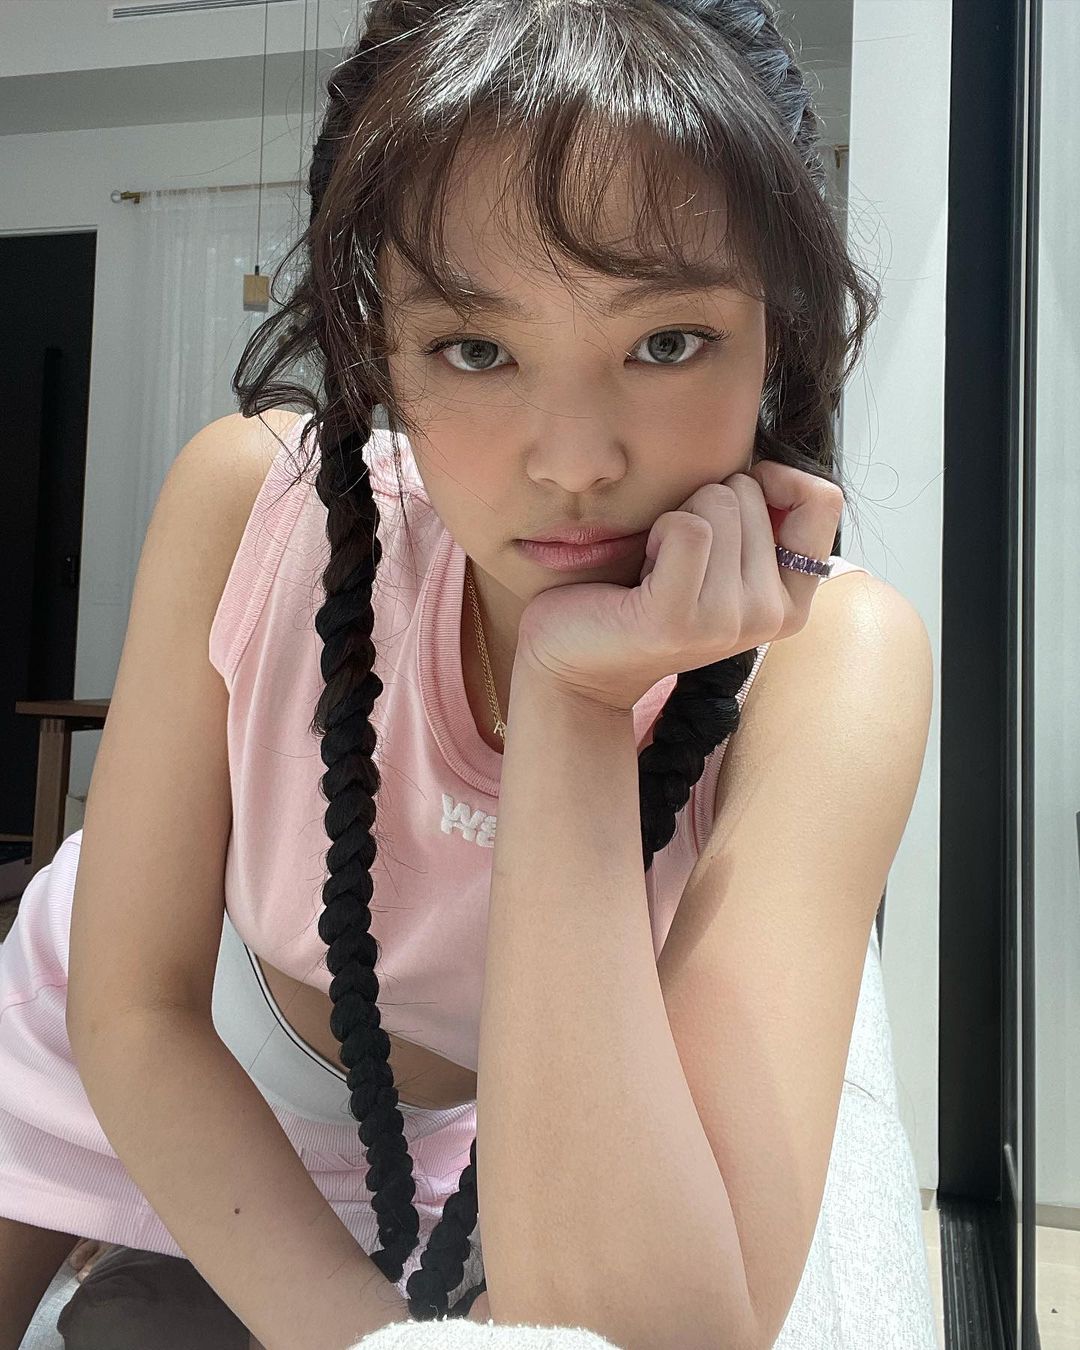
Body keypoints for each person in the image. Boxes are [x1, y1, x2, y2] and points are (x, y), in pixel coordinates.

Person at [0, 0, 935, 1346]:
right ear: (378, 340)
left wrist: (575, 703)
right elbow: (133, 1012)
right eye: (477, 349)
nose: (576, 461)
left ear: (772, 334)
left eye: (667, 341)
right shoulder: (257, 504)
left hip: (440, 1149)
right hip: (135, 1052)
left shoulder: (832, 662)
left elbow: (665, 1329)